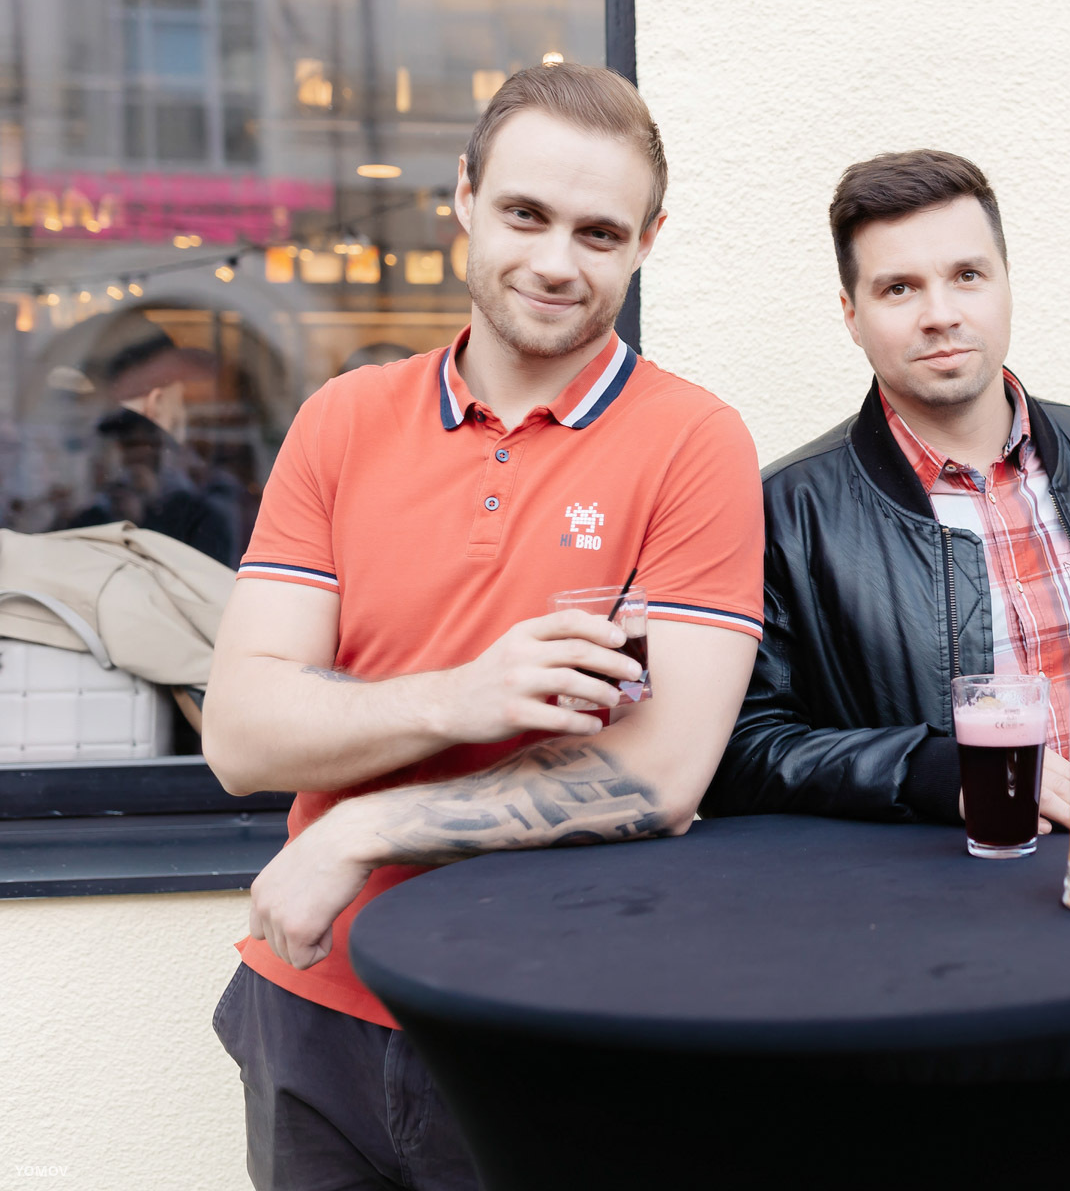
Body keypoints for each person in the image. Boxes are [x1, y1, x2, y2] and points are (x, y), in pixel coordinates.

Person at [201, 62, 764, 1191]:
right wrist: (464, 695)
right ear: (464, 195)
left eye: (599, 233)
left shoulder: (694, 443)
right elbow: (241, 735)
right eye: (525, 213)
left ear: (648, 242)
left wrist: (358, 831)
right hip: (315, 1005)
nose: (556, 262)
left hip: (550, 1020)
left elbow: (658, 776)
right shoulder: (345, 418)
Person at [704, 149, 1070, 830]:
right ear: (851, 315)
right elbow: (738, 754)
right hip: (938, 880)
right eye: (899, 289)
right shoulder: (787, 512)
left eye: (967, 276)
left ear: (1005, 284)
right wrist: (934, 773)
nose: (940, 314)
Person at [65, 324, 241, 566]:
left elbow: (202, 572)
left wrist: (143, 519)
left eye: (141, 445)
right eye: (124, 446)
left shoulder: (202, 510)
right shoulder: (98, 510)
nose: (131, 457)